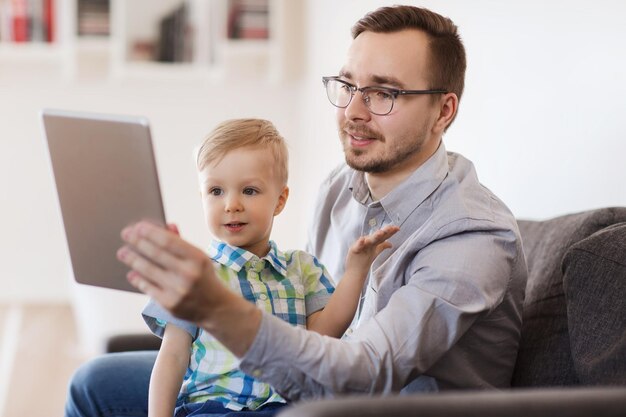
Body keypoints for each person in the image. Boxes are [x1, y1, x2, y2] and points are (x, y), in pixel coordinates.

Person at [65, 5, 528, 417]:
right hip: (307, 395)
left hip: (368, 407)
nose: (354, 111)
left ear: (443, 111)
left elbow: (367, 373)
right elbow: (307, 323)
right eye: (348, 85)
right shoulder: (340, 189)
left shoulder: (474, 238)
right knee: (93, 383)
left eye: (384, 93)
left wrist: (219, 307)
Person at [143, 118, 398, 417]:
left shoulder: (302, 268)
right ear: (202, 197)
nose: (231, 204)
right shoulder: (193, 274)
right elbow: (172, 356)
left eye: (249, 191)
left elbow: (324, 335)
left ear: (280, 200)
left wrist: (356, 270)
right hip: (213, 408)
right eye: (216, 191)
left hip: (288, 408)